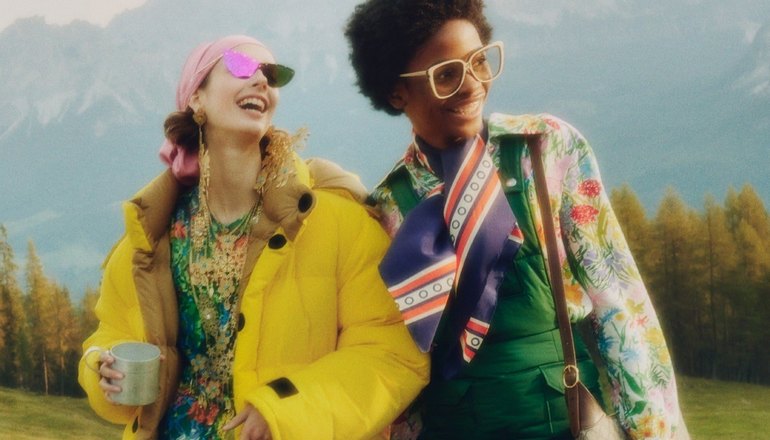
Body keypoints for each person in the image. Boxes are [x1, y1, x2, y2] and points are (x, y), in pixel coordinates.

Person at [345, 2, 689, 439]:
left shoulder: (545, 149)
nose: (473, 85)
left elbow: (618, 302)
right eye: (446, 75)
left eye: (479, 61)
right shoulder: (388, 205)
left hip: (565, 425)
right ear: (397, 92)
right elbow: (396, 358)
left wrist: (653, 431)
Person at [78, 34, 428, 440]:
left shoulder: (339, 223)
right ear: (196, 98)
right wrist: (101, 369)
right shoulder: (149, 238)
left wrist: (283, 411)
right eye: (242, 67)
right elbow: (110, 333)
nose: (262, 81)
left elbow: (391, 354)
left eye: (272, 76)